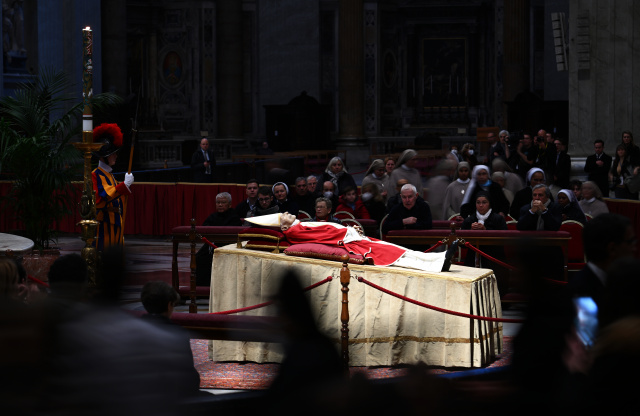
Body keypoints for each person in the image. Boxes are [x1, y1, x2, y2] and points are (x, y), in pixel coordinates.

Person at [248, 212, 447, 272]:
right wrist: (348, 235)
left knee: (396, 249)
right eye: (284, 216)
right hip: (350, 243)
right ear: (283, 227)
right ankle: (437, 264)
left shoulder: (299, 224)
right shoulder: (295, 231)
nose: (287, 213)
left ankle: (439, 259)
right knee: (393, 255)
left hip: (353, 237)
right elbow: (324, 237)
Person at [569, 213, 635, 310]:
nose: (635, 248)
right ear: (612, 249)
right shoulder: (582, 295)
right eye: (631, 242)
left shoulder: (625, 280)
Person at [92, 123, 134, 251]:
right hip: (104, 224)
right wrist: (124, 185)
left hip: (114, 222)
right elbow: (104, 196)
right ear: (104, 156)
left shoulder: (110, 176)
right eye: (112, 154)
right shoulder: (96, 174)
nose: (115, 156)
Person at [461, 192, 508, 293]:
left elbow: (503, 239)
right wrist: (469, 231)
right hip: (472, 258)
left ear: (489, 204)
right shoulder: (469, 220)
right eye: (478, 202)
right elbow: (461, 243)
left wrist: (486, 230)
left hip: (493, 258)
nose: (481, 205)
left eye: (484, 202)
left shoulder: (498, 219)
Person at [516, 183, 564, 279]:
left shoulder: (555, 208)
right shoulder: (525, 209)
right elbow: (520, 227)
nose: (537, 198)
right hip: (530, 248)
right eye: (534, 195)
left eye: (540, 195)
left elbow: (555, 227)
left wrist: (545, 211)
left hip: (550, 248)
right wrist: (531, 212)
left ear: (547, 196)